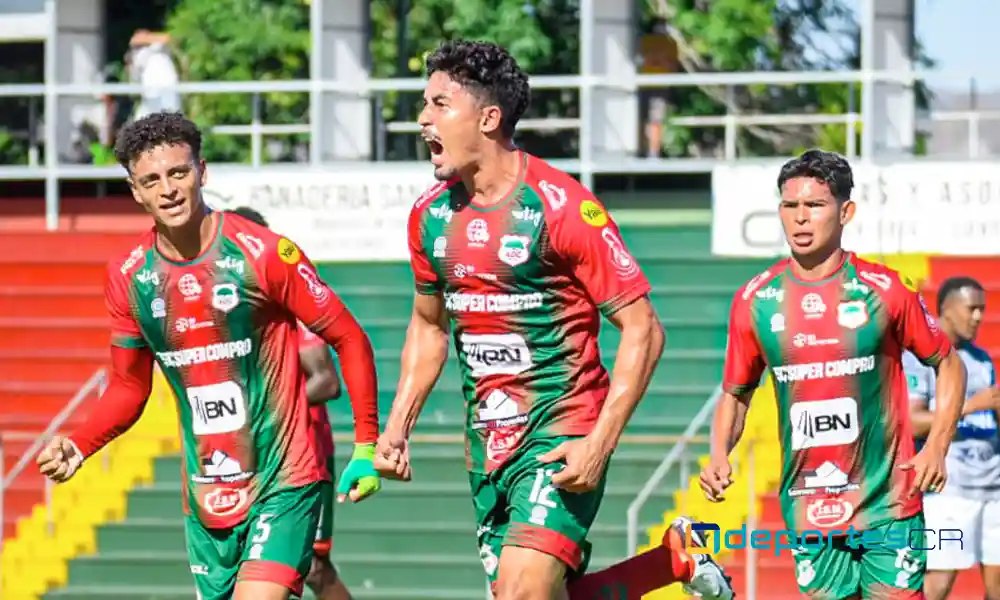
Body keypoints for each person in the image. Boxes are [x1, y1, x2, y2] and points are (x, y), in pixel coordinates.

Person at [371, 39, 733, 600]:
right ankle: (671, 563)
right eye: (425, 104)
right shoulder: (430, 215)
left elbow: (644, 328)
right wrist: (397, 426)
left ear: (489, 118)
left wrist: (600, 441)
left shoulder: (559, 207)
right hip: (488, 440)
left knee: (522, 591)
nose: (423, 119)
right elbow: (427, 326)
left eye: (440, 104)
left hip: (561, 429)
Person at [35, 111, 382, 600]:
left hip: (284, 479)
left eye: (179, 173)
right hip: (206, 494)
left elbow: (349, 337)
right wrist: (81, 444)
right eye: (151, 180)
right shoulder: (130, 277)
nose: (168, 189)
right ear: (135, 192)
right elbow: (131, 386)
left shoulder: (262, 252)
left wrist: (366, 445)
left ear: (203, 171)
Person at [702, 148, 968, 600]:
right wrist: (719, 454)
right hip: (809, 506)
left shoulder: (884, 290)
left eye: (815, 205)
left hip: (889, 502)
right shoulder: (757, 300)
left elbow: (949, 363)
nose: (800, 218)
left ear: (845, 212)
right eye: (790, 206)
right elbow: (736, 393)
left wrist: (937, 447)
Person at [228, 205, 356, 600]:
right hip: (253, 451)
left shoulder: (288, 302)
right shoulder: (229, 309)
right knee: (246, 563)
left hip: (304, 449)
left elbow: (327, 381)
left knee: (314, 567)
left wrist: (263, 407)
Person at [905, 276, 1000, 600]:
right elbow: (912, 421)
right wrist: (973, 405)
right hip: (947, 491)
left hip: (992, 487)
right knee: (938, 583)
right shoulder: (921, 357)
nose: (978, 317)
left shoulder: (981, 358)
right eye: (971, 308)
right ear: (946, 309)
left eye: (982, 310)